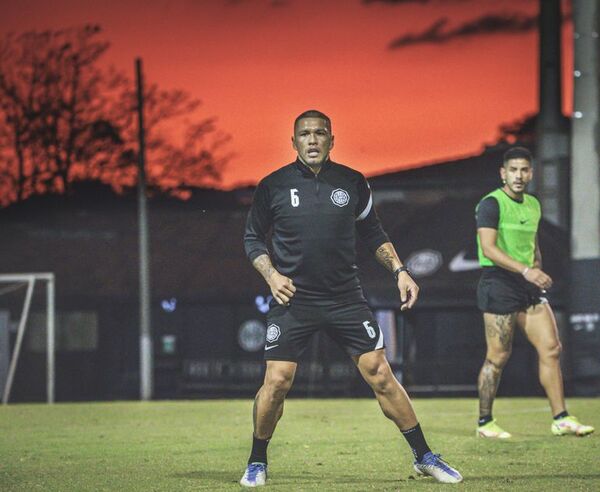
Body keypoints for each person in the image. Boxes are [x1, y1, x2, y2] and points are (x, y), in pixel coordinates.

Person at [240, 110, 462, 487]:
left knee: (380, 373)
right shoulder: (273, 186)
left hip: (346, 298)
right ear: (293, 142)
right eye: (305, 134)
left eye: (320, 133)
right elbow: (252, 238)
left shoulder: (353, 183)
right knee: (277, 381)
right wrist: (272, 275)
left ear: (331, 140)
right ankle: (257, 461)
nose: (312, 140)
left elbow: (373, 233)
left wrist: (401, 271)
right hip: (294, 300)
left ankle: (424, 456)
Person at [475, 146, 594, 439]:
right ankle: (484, 423)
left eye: (524, 170)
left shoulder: (533, 204)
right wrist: (527, 270)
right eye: (513, 170)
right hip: (499, 283)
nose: (519, 175)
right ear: (503, 173)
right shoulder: (491, 204)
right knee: (498, 357)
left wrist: (536, 269)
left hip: (527, 286)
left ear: (531, 173)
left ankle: (561, 418)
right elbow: (489, 248)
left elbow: (533, 244)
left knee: (552, 349)